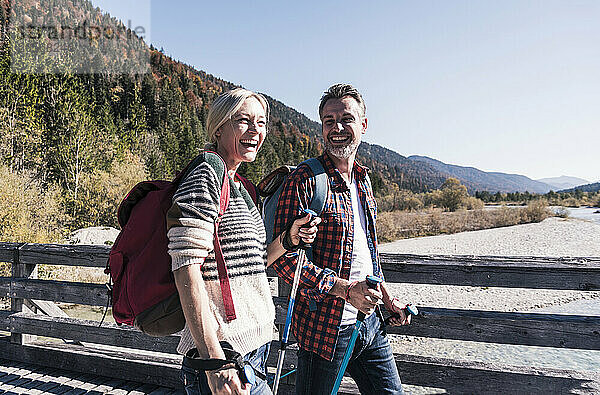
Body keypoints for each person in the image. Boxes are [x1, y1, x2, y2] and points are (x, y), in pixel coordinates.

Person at [167, 88, 320, 395]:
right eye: (244, 121)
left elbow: (254, 264)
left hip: (255, 349)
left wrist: (289, 237)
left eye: (261, 123)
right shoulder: (205, 173)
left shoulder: (240, 187)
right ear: (219, 127)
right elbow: (185, 267)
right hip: (224, 354)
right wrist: (215, 364)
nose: (255, 131)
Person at [271, 83, 411, 394]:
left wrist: (386, 297)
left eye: (346, 119)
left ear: (363, 125)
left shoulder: (363, 180)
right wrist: (346, 290)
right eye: (328, 120)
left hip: (369, 323)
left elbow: (368, 253)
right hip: (325, 331)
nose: (337, 128)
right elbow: (282, 258)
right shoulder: (306, 179)